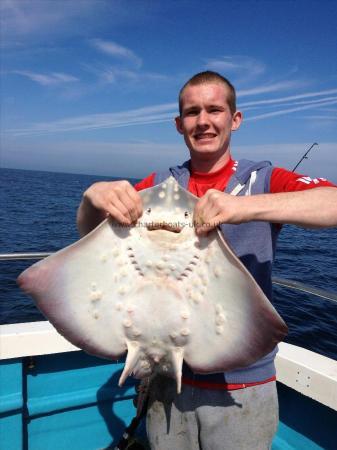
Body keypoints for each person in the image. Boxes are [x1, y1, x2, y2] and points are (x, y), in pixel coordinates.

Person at [77, 71, 337, 450]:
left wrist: (244, 207)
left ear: (235, 119)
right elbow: (90, 238)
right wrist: (92, 197)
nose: (203, 121)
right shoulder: (158, 186)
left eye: (215, 109)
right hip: (164, 377)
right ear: (179, 123)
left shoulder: (262, 179)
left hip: (242, 381)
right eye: (192, 112)